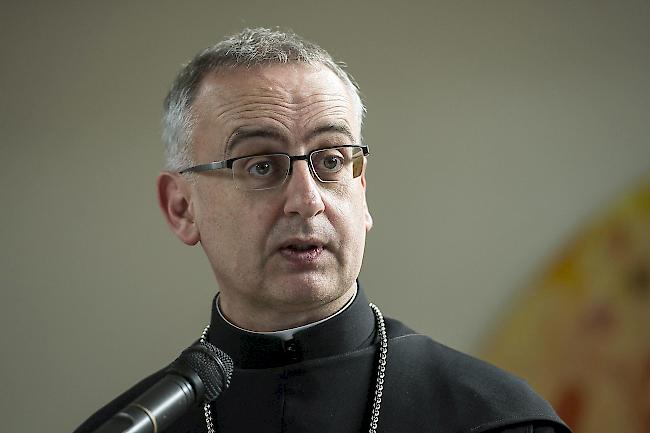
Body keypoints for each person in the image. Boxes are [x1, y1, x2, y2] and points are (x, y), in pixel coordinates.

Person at [74, 28, 570, 433]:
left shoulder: (497, 421)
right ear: (182, 207)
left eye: (331, 160)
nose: (307, 200)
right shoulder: (128, 429)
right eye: (261, 166)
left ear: (363, 192)